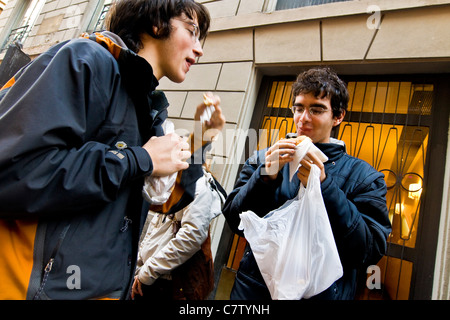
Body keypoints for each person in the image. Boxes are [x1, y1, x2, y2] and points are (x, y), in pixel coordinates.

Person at [0, 0, 211, 300]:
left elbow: (168, 202)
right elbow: (13, 172)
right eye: (192, 31)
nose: (199, 48)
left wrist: (203, 139)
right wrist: (138, 160)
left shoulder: (149, 108)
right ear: (157, 23)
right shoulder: (86, 60)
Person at [222, 67, 392, 300]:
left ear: (338, 116)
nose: (303, 118)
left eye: (317, 109)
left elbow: (368, 250)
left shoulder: (364, 177)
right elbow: (234, 220)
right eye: (299, 108)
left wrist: (325, 186)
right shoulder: (264, 158)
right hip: (253, 293)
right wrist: (265, 176)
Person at [131, 95, 227, 300]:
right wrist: (139, 267)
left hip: (169, 283)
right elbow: (154, 230)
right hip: (151, 277)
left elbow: (192, 236)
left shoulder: (199, 185)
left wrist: (147, 272)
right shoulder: (172, 184)